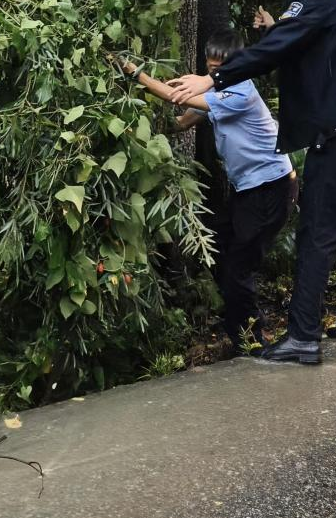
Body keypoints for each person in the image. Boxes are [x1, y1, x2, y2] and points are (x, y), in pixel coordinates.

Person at [167, 0, 336, 365]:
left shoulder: (314, 0)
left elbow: (273, 53)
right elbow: (317, 52)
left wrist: (214, 80)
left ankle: (303, 337)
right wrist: (278, 28)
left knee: (317, 233)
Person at [111, 31, 297, 353]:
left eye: (218, 69)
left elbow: (175, 97)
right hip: (249, 190)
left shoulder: (240, 91)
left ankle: (252, 341)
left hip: (272, 188)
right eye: (209, 68)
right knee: (221, 245)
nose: (213, 75)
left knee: (240, 267)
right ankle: (236, 324)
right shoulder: (220, 88)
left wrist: (134, 73)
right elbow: (182, 121)